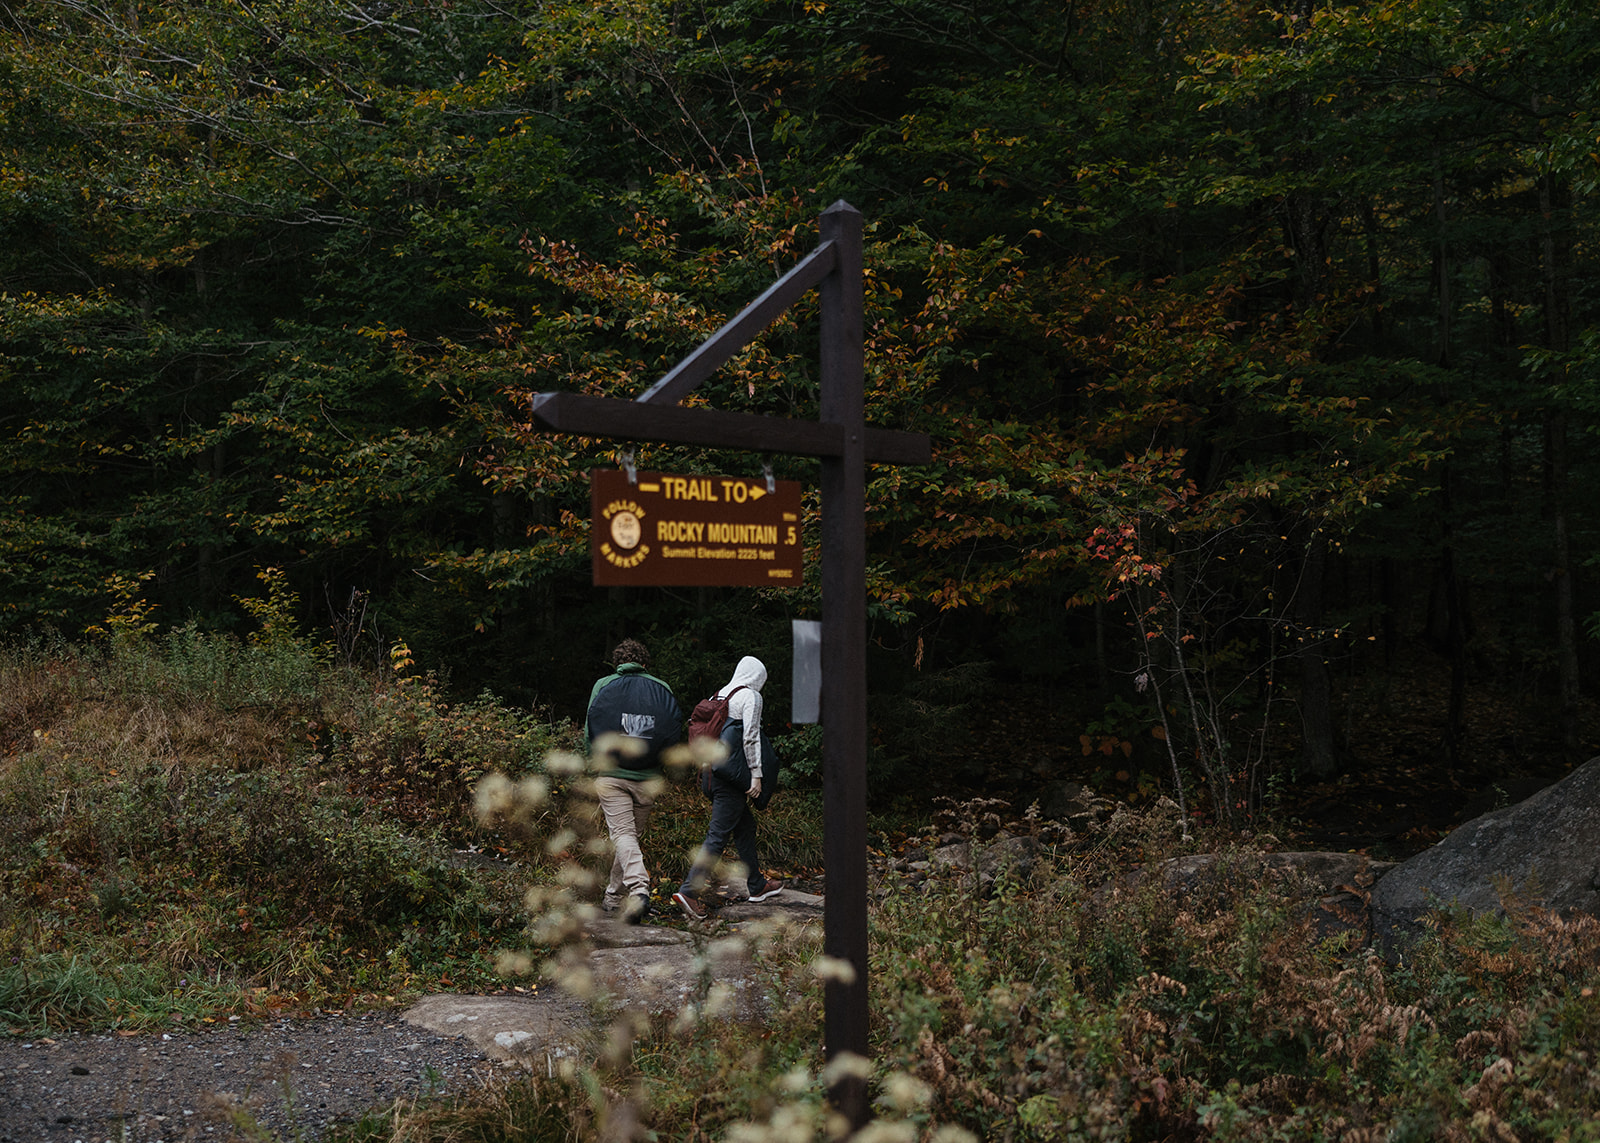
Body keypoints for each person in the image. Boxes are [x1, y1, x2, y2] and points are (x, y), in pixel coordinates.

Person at [673, 655, 785, 920]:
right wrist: (755, 776)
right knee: (717, 836)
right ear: (758, 678)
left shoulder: (721, 694)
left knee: (745, 827)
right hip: (732, 779)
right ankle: (689, 891)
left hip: (711, 775)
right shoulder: (751, 697)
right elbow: (750, 737)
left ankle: (757, 885)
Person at [585, 638, 682, 924]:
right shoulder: (662, 688)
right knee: (629, 839)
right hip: (648, 776)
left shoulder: (603, 685)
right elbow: (672, 731)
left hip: (612, 775)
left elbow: (589, 728)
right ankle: (613, 899)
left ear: (618, 662)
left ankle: (639, 890)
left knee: (624, 838)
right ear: (645, 662)